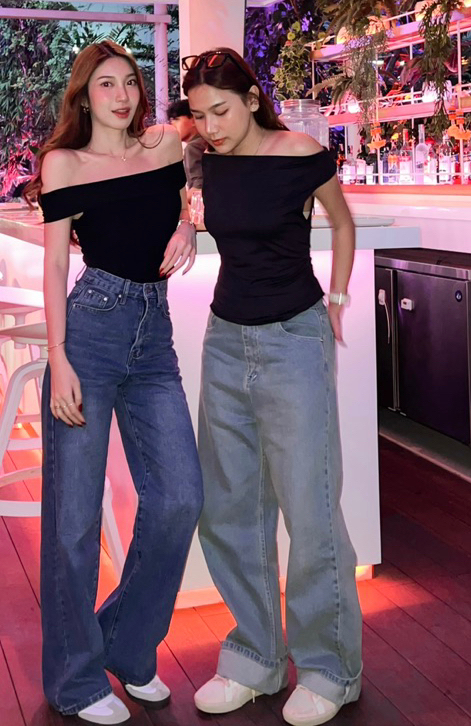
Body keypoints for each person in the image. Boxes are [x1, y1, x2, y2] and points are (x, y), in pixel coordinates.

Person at [24, 39, 203, 725]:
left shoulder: (162, 147)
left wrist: (188, 223)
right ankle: (74, 680)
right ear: (84, 94)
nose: (122, 95)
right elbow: (53, 266)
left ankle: (126, 647)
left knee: (180, 497)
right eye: (106, 84)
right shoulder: (64, 163)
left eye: (129, 81)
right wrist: (59, 358)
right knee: (73, 522)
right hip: (90, 335)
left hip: (153, 334)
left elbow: (195, 183)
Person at [182, 47, 362, 726]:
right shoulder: (206, 159)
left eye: (220, 111)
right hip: (225, 339)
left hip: (293, 337)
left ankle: (330, 669)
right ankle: (254, 659)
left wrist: (338, 297)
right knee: (230, 507)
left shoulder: (301, 154)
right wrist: (181, 220)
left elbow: (342, 221)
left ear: (253, 99)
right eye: (200, 115)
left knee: (310, 509)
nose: (210, 126)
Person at [166, 98, 207, 199]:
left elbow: (198, 188)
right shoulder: (206, 142)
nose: (172, 125)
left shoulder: (193, 147)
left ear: (193, 120)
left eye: (176, 119)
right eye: (171, 121)